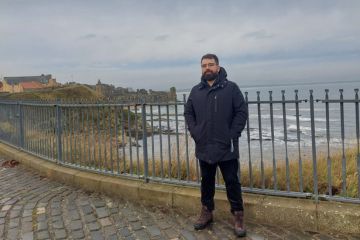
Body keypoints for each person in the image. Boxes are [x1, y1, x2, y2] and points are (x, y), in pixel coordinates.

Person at [184, 53, 248, 237]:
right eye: (204, 65)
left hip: (227, 146)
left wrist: (232, 134)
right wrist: (195, 132)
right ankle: (207, 212)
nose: (207, 68)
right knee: (207, 182)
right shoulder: (196, 91)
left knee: (232, 182)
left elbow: (241, 112)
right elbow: (189, 113)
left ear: (218, 67)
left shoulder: (231, 88)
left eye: (211, 65)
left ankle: (238, 215)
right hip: (204, 145)